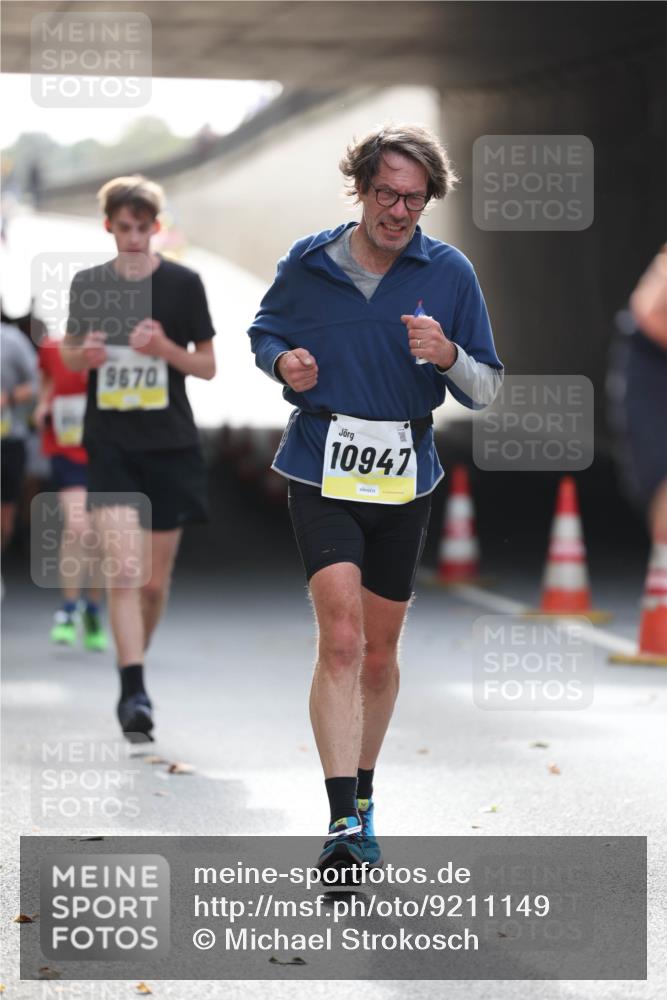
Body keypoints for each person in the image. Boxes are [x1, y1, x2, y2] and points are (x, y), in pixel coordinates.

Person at [249, 124, 503, 873]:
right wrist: (282, 362)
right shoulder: (309, 261)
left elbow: (487, 387)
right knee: (342, 639)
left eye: (414, 199)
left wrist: (448, 355)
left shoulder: (449, 271)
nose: (399, 210)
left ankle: (361, 797)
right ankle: (338, 825)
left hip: (401, 471)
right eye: (387, 193)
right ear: (359, 187)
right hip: (320, 462)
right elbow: (264, 330)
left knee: (381, 655)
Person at [61, 175, 216, 741]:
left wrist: (165, 349)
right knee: (124, 571)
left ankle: (135, 666)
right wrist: (88, 354)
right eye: (122, 227)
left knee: (152, 583)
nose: (132, 237)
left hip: (171, 444)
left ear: (156, 228)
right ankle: (133, 691)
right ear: (109, 227)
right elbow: (72, 356)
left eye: (142, 227)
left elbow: (207, 365)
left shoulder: (183, 284)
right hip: (111, 444)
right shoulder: (89, 285)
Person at [34, 336, 108, 650]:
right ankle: (68, 608)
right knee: (77, 527)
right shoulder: (51, 347)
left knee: (101, 535)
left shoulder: (114, 348)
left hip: (107, 452)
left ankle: (91, 608)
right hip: (67, 447)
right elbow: (47, 379)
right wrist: (43, 403)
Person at [1, 321, 38, 552]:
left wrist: (9, 398)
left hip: (8, 439)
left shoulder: (11, 340)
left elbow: (39, 383)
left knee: (4, 517)